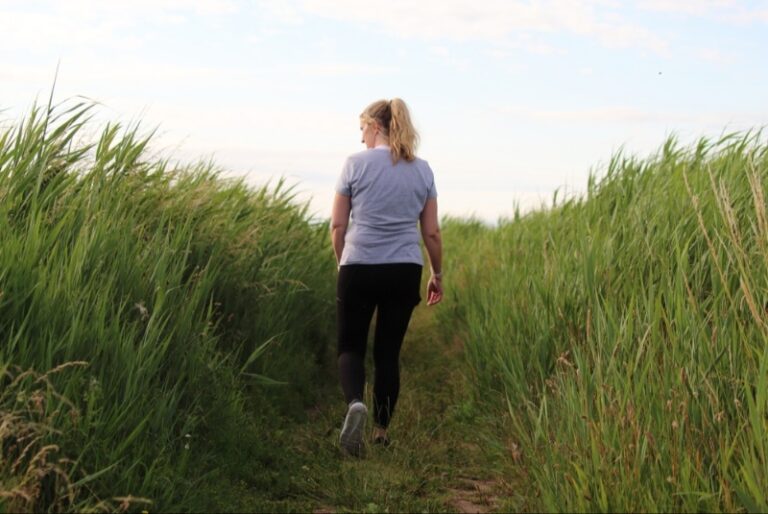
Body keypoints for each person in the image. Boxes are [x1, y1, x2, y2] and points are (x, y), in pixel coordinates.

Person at [330, 98, 443, 457]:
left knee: (350, 347)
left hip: (359, 265)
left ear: (375, 127)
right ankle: (380, 430)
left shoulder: (354, 164)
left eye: (362, 128)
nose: (361, 137)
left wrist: (343, 264)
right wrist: (437, 274)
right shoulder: (422, 170)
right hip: (404, 269)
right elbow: (432, 233)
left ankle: (355, 404)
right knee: (388, 353)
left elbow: (337, 226)